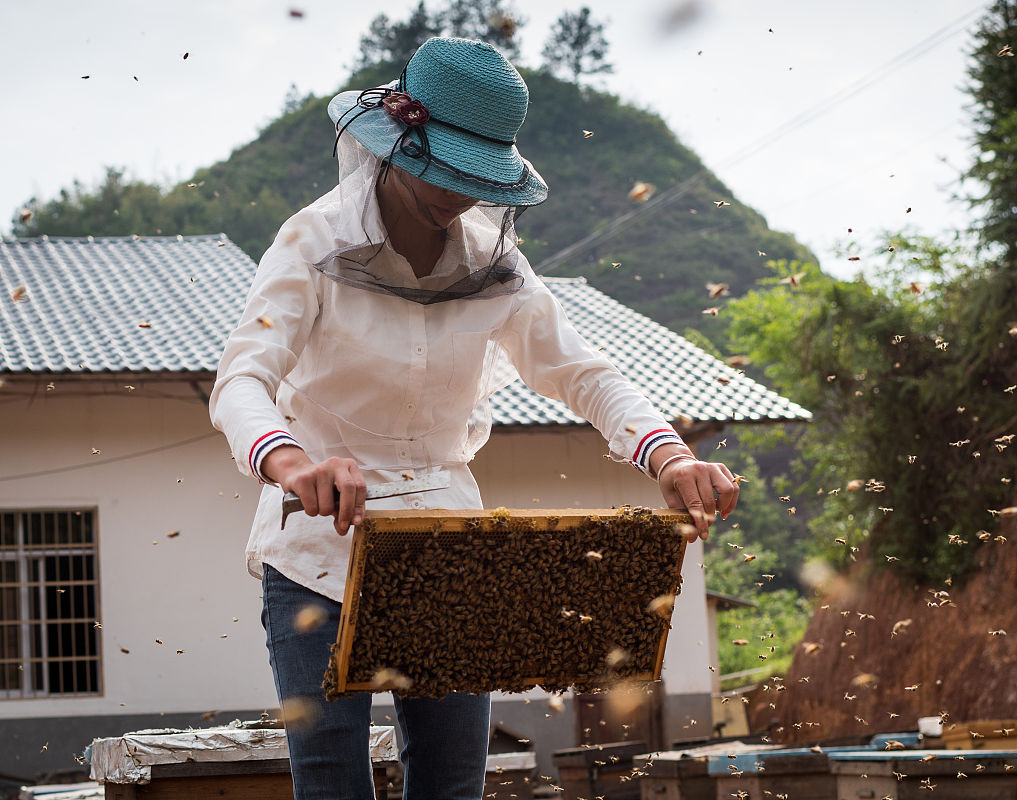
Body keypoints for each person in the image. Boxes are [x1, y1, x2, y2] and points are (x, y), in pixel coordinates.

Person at [210, 36, 739, 800]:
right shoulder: (312, 241)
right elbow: (241, 380)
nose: (459, 192)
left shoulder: (497, 262)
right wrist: (294, 463)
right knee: (331, 786)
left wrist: (670, 457)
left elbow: (583, 373)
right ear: (398, 143)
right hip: (316, 549)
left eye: (476, 175)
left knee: (453, 786)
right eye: (444, 170)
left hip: (446, 547)